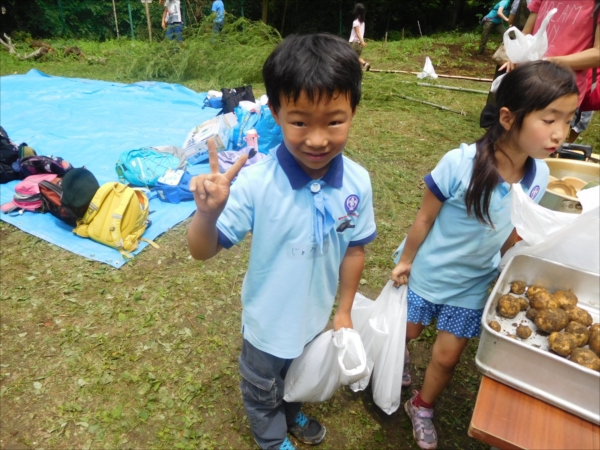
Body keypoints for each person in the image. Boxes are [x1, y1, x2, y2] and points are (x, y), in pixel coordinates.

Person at [187, 33, 376, 450]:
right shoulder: (257, 183)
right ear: (275, 112)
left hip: (314, 321)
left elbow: (355, 249)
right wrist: (207, 213)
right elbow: (202, 250)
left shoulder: (357, 183)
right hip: (266, 328)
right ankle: (272, 439)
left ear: (353, 111)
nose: (317, 138)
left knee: (299, 377)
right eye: (300, 121)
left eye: (334, 120)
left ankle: (291, 413)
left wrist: (343, 311)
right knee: (261, 389)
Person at [391, 61, 578, 450]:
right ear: (509, 118)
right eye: (549, 119)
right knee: (407, 333)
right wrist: (406, 260)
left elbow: (515, 226)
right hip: (428, 274)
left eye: (568, 119)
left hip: (473, 284)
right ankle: (400, 357)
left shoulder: (539, 175)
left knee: (446, 358)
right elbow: (425, 218)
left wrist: (514, 263)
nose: (561, 132)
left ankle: (422, 406)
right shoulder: (459, 163)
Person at [503, 0, 600, 140]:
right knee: (508, 142)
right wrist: (516, 54)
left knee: (541, 148)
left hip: (561, 91)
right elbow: (525, 33)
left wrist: (548, 62)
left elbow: (598, 54)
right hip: (527, 81)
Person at [349, 3, 370, 71]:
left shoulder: (356, 22)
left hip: (354, 43)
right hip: (359, 44)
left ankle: (364, 64)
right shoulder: (362, 22)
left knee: (351, 56)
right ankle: (364, 65)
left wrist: (362, 41)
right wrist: (361, 42)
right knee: (356, 57)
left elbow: (357, 32)